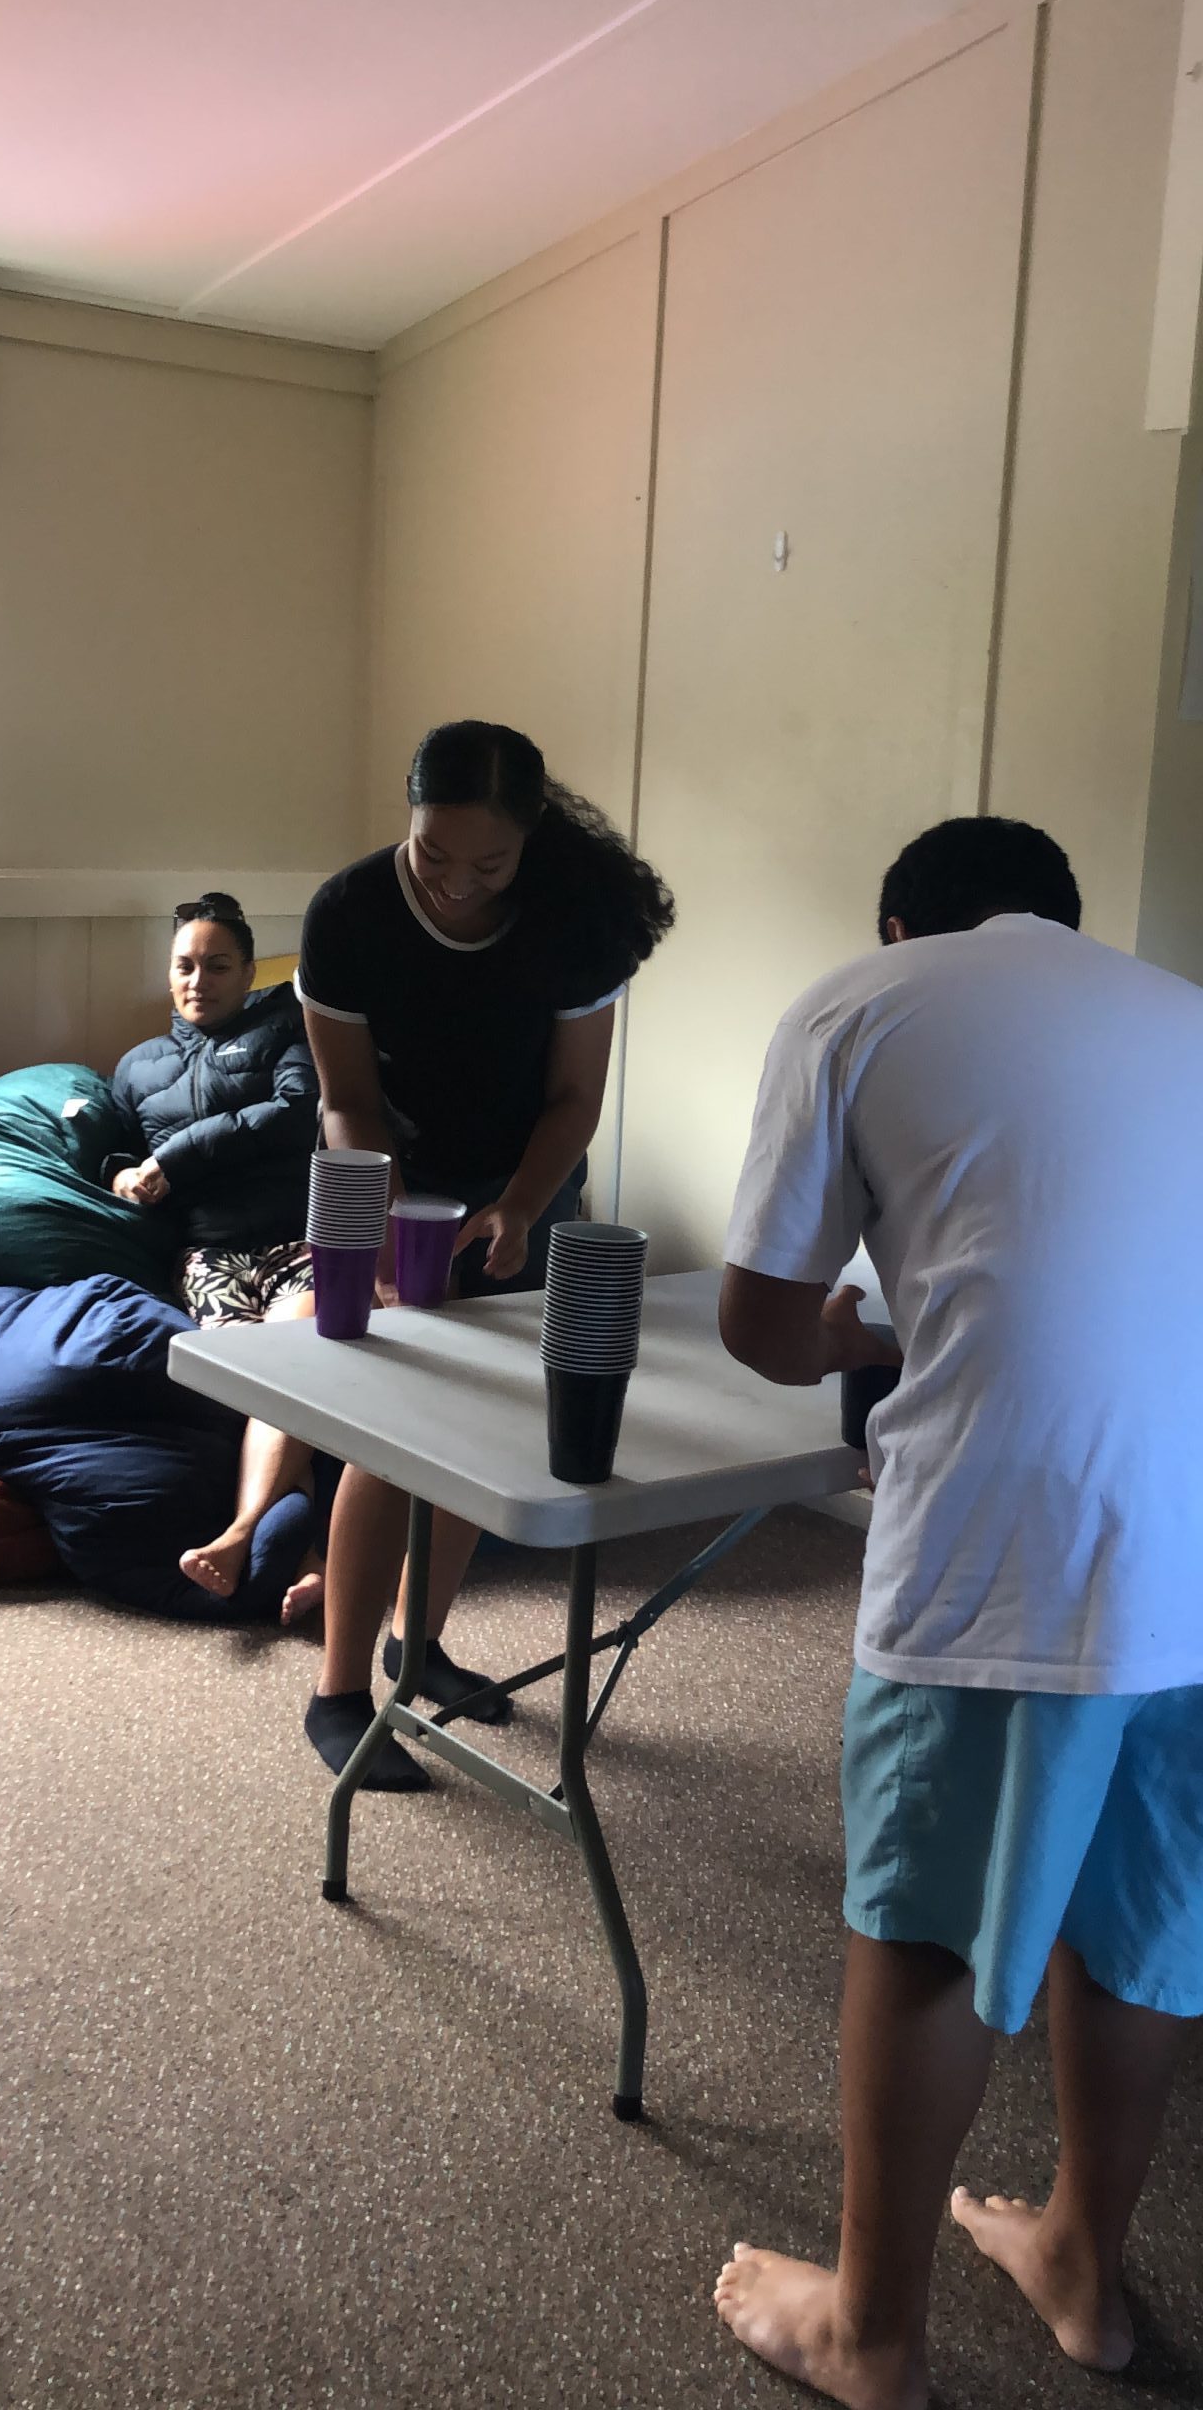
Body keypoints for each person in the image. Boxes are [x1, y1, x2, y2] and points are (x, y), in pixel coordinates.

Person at [711, 816, 1203, 2410]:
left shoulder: (857, 1004)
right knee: (1142, 1913)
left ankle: (871, 2336)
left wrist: (871, 1338)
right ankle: (1083, 2270)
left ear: (901, 924)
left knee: (924, 1914)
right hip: (1195, 1537)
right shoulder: (1182, 1013)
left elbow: (763, 1325)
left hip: (1007, 1535)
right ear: (1065, 920)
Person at [296, 720, 675, 1787]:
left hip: (526, 1181)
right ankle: (337, 1693)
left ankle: (416, 1647)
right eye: (434, 854)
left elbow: (576, 1097)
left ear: (531, 839)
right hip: (390, 1177)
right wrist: (385, 1210)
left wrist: (518, 1205)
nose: (458, 883)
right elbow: (347, 1098)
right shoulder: (349, 911)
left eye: (490, 863)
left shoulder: (573, 921)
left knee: (491, 1423)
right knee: (395, 1428)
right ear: (409, 818)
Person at [109, 891, 322, 1616]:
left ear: (249, 971)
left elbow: (298, 1113)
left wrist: (176, 1155)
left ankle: (239, 1533)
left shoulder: (288, 1027)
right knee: (258, 1384)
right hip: (211, 1258)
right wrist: (123, 1176)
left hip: (298, 1242)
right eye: (185, 966)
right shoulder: (138, 1066)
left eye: (218, 966)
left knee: (290, 1365)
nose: (199, 981)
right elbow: (118, 1149)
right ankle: (311, 1556)